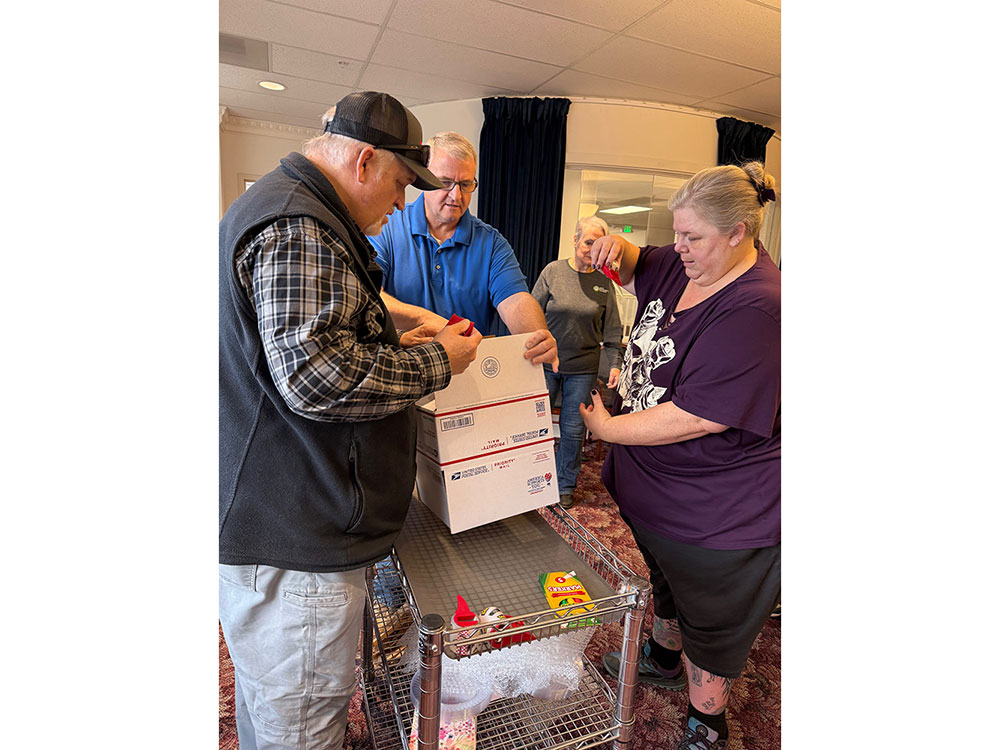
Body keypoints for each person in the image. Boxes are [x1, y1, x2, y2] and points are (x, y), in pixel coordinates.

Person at [218, 91, 483, 750]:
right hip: (298, 544)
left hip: (286, 524)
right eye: (399, 184)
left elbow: (319, 317)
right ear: (365, 161)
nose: (401, 203)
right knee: (300, 730)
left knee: (274, 714)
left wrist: (393, 317)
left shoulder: (297, 212)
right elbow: (318, 378)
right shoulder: (297, 225)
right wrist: (438, 363)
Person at [581, 162, 780, 750]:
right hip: (653, 492)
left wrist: (609, 429)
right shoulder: (679, 261)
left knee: (711, 618)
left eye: (693, 236)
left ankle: (706, 719)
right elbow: (633, 262)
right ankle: (664, 655)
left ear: (740, 231)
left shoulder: (759, 307)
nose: (679, 247)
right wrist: (609, 246)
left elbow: (699, 414)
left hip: (716, 508)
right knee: (665, 582)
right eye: (676, 232)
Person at [368, 130, 559, 370]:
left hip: (466, 377)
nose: (455, 195)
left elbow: (515, 300)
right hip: (403, 369)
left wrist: (537, 335)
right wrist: (425, 319)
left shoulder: (491, 243)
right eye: (445, 182)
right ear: (424, 179)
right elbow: (370, 294)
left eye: (466, 184)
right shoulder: (387, 228)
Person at [531, 215, 623, 509]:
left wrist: (615, 364)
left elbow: (612, 330)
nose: (591, 248)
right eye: (587, 242)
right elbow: (530, 315)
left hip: (583, 368)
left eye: (597, 244)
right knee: (536, 426)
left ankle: (564, 485)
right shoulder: (553, 272)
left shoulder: (604, 282)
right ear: (574, 240)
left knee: (572, 429)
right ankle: (532, 479)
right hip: (545, 364)